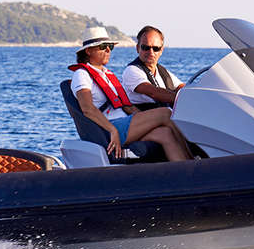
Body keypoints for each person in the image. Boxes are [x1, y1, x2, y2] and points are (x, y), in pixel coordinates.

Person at [69, 26, 194, 161]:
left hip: (124, 123)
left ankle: (187, 172)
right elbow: (87, 109)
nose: (108, 50)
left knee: (165, 133)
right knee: (166, 113)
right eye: (103, 46)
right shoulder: (82, 74)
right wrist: (112, 130)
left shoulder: (106, 74)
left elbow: (126, 106)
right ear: (88, 51)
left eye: (110, 47)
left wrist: (148, 119)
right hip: (111, 128)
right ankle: (194, 160)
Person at [121, 25, 184, 108]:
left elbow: (181, 87)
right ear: (137, 48)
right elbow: (153, 92)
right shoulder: (131, 71)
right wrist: (185, 100)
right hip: (145, 117)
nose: (151, 52)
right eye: (145, 47)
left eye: (156, 48)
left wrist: (193, 94)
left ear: (161, 50)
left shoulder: (162, 72)